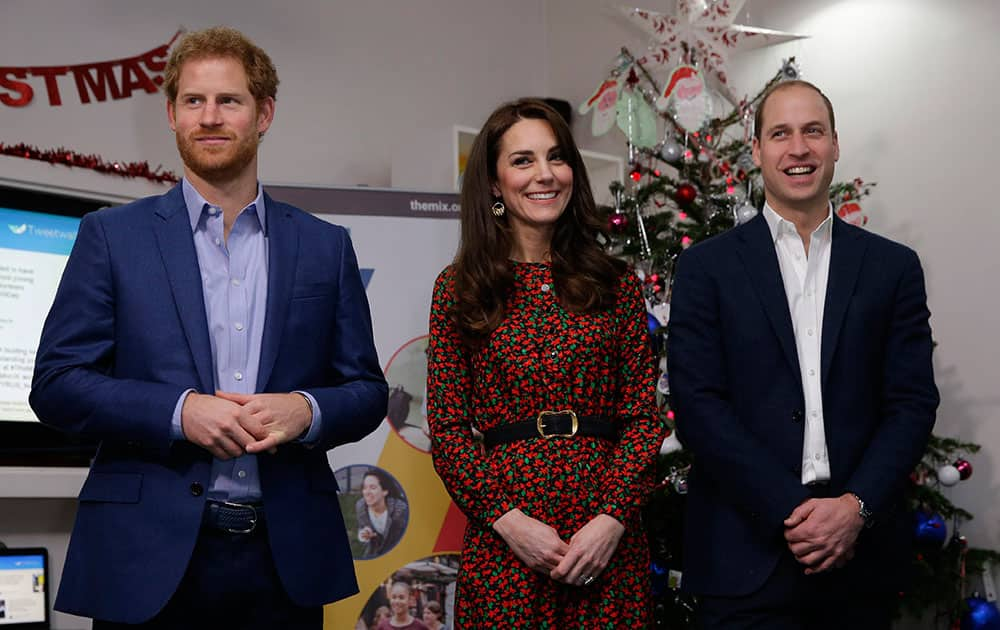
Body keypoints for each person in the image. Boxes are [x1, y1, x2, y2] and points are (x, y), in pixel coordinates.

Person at [29, 26, 387, 629]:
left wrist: (306, 411)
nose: (210, 117)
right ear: (171, 114)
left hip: (285, 561)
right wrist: (179, 411)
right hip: (146, 559)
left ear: (264, 112)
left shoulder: (325, 246)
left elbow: (367, 391)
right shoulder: (112, 238)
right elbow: (57, 383)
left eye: (230, 100)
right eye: (193, 101)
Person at [667, 80, 939, 629]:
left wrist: (854, 508)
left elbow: (911, 403)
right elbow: (698, 405)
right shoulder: (706, 269)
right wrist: (791, 511)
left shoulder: (893, 268)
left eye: (813, 131)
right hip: (743, 560)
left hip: (858, 558)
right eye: (781, 134)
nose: (799, 148)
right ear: (758, 151)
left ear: (835, 144)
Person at [426, 98, 665, 626]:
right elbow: (446, 430)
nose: (545, 175)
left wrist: (610, 521)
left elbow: (643, 421)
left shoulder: (615, 283)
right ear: (493, 183)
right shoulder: (460, 288)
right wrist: (510, 524)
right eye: (523, 160)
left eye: (556, 158)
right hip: (507, 539)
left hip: (607, 535)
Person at [355, 468, 409, 558]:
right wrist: (364, 534)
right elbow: (362, 528)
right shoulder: (360, 506)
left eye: (372, 488)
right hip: (375, 555)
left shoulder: (400, 509)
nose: (367, 492)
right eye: (364, 488)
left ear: (385, 491)